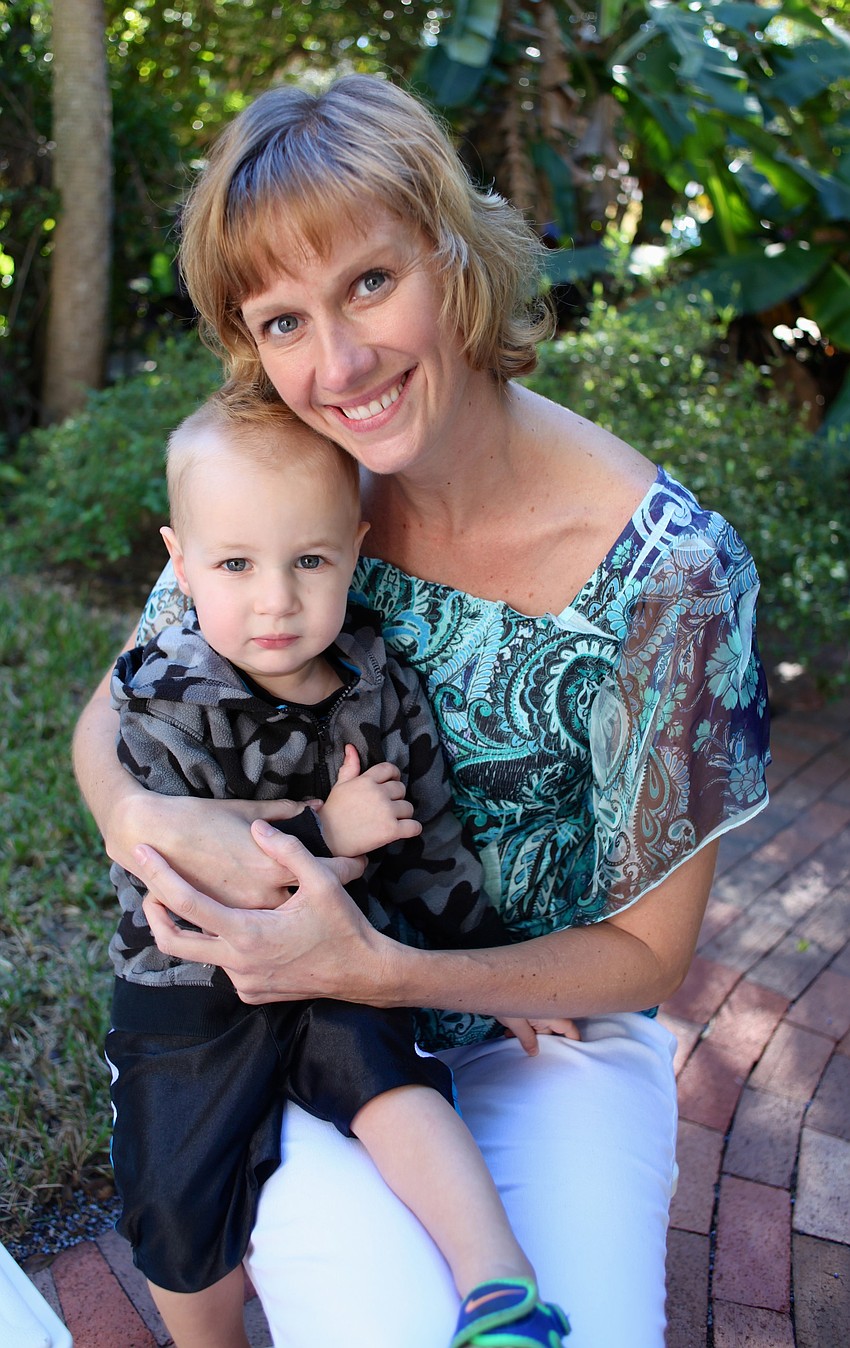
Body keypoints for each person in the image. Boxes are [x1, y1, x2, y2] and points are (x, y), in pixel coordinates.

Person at [73, 74, 770, 1348]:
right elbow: (112, 709)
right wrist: (138, 818)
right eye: (283, 321)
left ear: (454, 254)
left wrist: (388, 966)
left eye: (370, 283)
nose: (337, 364)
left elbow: (648, 954)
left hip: (538, 1024)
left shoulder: (670, 575)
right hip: (287, 1015)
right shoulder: (290, 487)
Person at [105, 394, 573, 1348]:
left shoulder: (379, 682)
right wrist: (331, 833)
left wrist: (492, 967)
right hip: (192, 994)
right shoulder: (164, 700)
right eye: (236, 564)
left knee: (394, 1082)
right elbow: (184, 885)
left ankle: (501, 1289)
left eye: (309, 561)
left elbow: (432, 843)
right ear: (180, 562)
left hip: (336, 967)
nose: (276, 599)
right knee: (174, 1202)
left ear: (354, 553)